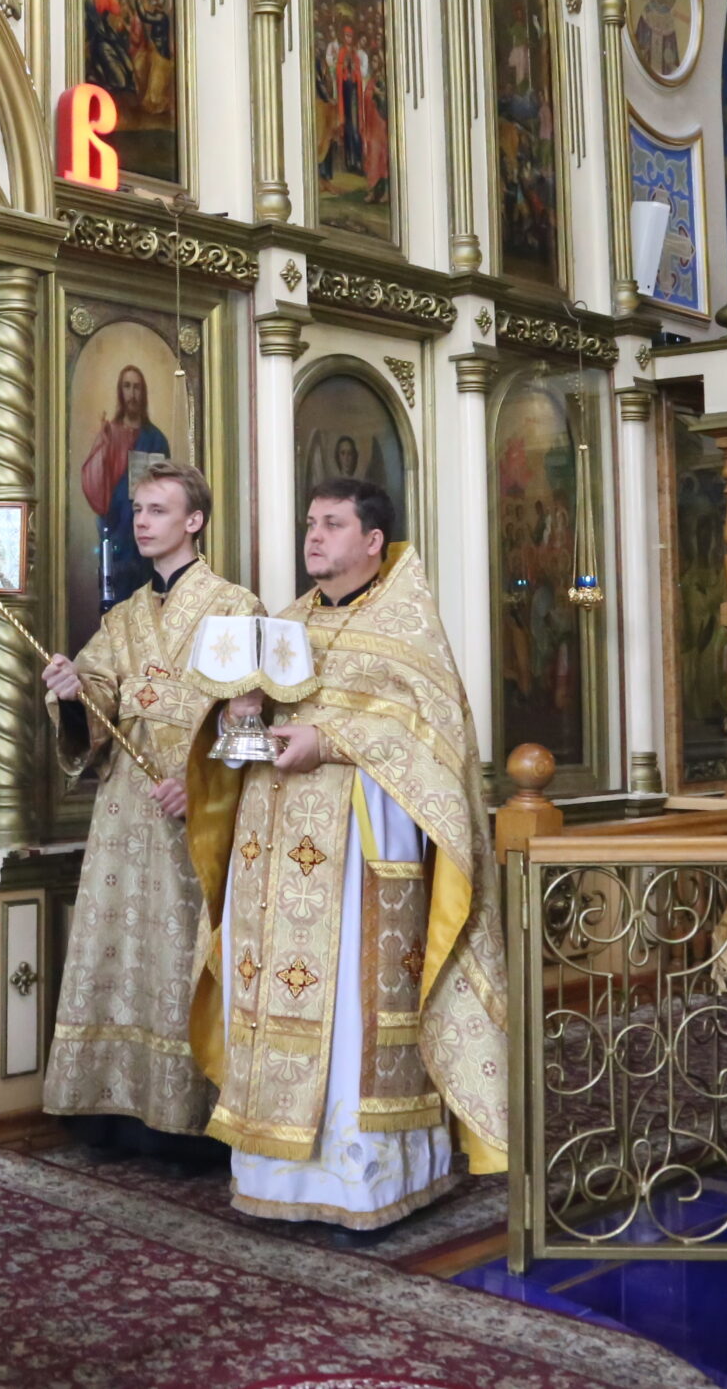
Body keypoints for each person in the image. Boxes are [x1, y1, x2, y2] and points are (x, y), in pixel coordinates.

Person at [207, 478, 508, 1236]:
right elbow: (244, 736)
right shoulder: (284, 624)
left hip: (359, 860)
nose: (314, 536)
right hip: (272, 856)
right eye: (311, 523)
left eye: (332, 524)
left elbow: (432, 744)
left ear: (373, 540)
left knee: (350, 1016)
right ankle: (270, 1171)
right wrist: (242, 714)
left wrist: (332, 740)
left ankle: (362, 1185)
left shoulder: (407, 624)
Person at [41, 462, 260, 1155]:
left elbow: (251, 714)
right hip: (126, 812)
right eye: (137, 509)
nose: (141, 521)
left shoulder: (236, 608)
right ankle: (114, 1110)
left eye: (158, 509)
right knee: (122, 945)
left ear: (194, 521)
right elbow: (101, 695)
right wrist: (74, 691)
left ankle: (190, 1122)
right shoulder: (125, 615)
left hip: (195, 812)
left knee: (184, 954)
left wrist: (203, 785)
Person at [81, 364, 171, 612]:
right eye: (127, 387)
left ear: (144, 393)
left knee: (146, 598)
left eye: (137, 388)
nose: (132, 394)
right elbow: (95, 483)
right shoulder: (110, 433)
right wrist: (103, 446)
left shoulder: (156, 439)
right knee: (116, 598)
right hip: (116, 528)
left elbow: (167, 489)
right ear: (121, 392)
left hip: (146, 530)